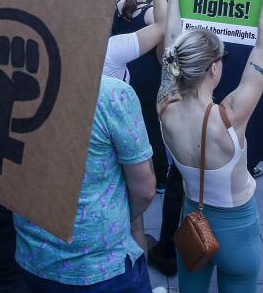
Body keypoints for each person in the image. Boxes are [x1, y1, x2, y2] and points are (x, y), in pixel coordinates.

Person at [158, 0, 263, 292]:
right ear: (215, 69)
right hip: (237, 229)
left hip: (192, 219)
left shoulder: (164, 107)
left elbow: (170, 40)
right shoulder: (229, 116)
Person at [13, 74, 156, 291]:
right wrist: (124, 222)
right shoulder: (112, 95)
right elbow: (144, 190)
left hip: (33, 258)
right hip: (102, 267)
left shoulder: (5, 88)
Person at [111, 0, 169, 191]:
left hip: (121, 73)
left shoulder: (117, 7)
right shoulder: (150, 13)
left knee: (126, 123)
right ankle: (160, 177)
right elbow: (161, 41)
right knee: (151, 125)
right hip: (146, 76)